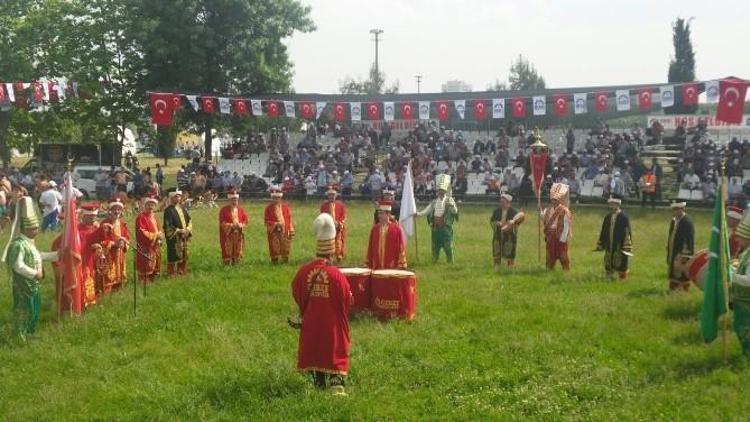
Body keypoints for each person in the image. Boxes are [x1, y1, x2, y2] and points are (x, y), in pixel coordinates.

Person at [291, 213, 352, 395]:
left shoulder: (303, 271)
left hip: (311, 322)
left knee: (314, 348)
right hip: (332, 324)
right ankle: (335, 381)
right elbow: (347, 300)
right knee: (333, 346)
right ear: (332, 251)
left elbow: (296, 291)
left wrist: (307, 309)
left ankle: (317, 380)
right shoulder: (336, 274)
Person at [2, 197, 58, 340]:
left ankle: (31, 333)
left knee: (34, 309)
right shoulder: (18, 244)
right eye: (33, 228)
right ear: (25, 228)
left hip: (34, 284)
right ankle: (19, 337)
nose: (37, 231)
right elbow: (17, 265)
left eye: (36, 228)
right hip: (23, 285)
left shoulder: (29, 243)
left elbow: (38, 256)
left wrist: (58, 255)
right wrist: (35, 273)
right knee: (23, 310)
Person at [90, 197, 130, 294]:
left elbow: (127, 237)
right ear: (110, 211)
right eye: (114, 209)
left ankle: (118, 288)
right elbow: (101, 241)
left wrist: (124, 243)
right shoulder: (104, 224)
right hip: (109, 254)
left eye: (119, 209)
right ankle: (106, 292)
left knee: (119, 273)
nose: (117, 211)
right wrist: (113, 243)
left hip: (120, 254)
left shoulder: (122, 223)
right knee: (109, 275)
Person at [415, 176, 459, 264]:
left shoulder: (449, 200)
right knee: (435, 246)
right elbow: (427, 211)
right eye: (439, 191)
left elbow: (455, 212)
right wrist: (418, 214)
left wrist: (452, 206)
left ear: (445, 191)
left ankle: (450, 262)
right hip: (435, 228)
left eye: (442, 191)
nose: (441, 193)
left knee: (448, 246)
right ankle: (434, 260)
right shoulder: (434, 202)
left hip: (445, 227)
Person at [595, 197, 633, 280]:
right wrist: (601, 243)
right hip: (609, 243)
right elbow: (603, 230)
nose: (612, 206)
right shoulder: (607, 217)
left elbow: (627, 232)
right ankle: (609, 275)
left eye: (613, 204)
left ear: (618, 205)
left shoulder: (624, 217)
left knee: (621, 260)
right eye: (610, 204)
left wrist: (626, 245)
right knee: (609, 258)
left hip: (619, 243)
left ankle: (622, 277)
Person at [729, 211, 750, 356]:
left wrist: (732, 276)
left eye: (741, 238)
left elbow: (748, 280)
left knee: (745, 329)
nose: (738, 240)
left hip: (747, 301)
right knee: (739, 328)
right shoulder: (746, 253)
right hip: (740, 300)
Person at [366, 200, 407, 270]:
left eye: (381, 214)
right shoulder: (375, 229)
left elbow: (400, 248)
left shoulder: (396, 230)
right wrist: (368, 264)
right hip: (376, 267)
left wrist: (400, 265)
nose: (379, 216)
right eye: (379, 213)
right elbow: (370, 248)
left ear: (388, 214)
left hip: (391, 268)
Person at [542, 183, 572, 271]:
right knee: (550, 253)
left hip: (560, 235)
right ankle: (549, 268)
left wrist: (564, 237)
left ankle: (566, 269)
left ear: (559, 201)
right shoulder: (548, 210)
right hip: (551, 235)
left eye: (556, 200)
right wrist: (539, 210)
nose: (554, 202)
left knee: (562, 254)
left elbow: (566, 224)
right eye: (553, 200)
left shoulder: (564, 210)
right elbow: (544, 218)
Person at [490, 194, 525, 268]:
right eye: (500, 202)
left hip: (509, 236)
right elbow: (492, 221)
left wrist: (511, 224)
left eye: (503, 202)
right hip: (498, 234)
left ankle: (510, 265)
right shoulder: (497, 211)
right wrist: (497, 223)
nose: (501, 204)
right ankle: (496, 265)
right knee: (497, 248)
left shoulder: (513, 212)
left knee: (509, 249)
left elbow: (518, 221)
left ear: (508, 202)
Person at [666, 201, 694, 292]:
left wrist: (685, 255)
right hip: (673, 249)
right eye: (674, 210)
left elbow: (689, 240)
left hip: (682, 252)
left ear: (683, 209)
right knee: (673, 269)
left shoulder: (687, 222)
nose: (675, 212)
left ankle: (683, 290)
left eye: (677, 210)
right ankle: (673, 289)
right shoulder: (674, 221)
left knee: (682, 272)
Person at [135, 193, 163, 283]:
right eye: (148, 205)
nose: (150, 207)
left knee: (155, 264)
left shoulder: (155, 217)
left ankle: (153, 280)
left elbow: (160, 229)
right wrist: (156, 235)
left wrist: (160, 236)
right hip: (146, 246)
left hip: (155, 245)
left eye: (152, 205)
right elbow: (142, 232)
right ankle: (144, 282)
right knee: (146, 265)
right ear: (144, 205)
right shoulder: (141, 217)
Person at [163, 190, 192, 276]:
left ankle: (182, 271)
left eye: (179, 196)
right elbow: (168, 224)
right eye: (176, 196)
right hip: (174, 237)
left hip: (184, 236)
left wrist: (188, 229)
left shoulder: (182, 208)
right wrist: (178, 230)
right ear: (171, 198)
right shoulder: (168, 210)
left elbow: (189, 219)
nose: (178, 198)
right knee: (173, 254)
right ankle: (172, 273)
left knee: (184, 253)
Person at [264, 186, 294, 263]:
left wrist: (290, 228)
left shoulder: (285, 207)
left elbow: (289, 218)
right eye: (274, 198)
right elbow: (266, 220)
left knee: (285, 245)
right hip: (274, 230)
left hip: (285, 229)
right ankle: (275, 260)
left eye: (277, 198)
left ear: (280, 198)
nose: (276, 199)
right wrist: (276, 224)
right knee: (274, 245)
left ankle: (285, 260)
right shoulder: (268, 208)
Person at [219, 188, 248, 265]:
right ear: (229, 200)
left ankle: (236, 263)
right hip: (228, 233)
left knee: (238, 248)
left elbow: (245, 220)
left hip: (238, 232)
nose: (234, 201)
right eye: (232, 200)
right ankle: (227, 264)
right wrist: (231, 226)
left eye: (236, 200)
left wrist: (241, 225)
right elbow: (222, 222)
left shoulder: (241, 210)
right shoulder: (223, 210)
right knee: (227, 249)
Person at [320, 186, 346, 262]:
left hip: (338, 226)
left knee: (338, 240)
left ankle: (339, 255)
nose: (331, 196)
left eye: (333, 195)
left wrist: (339, 223)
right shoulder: (324, 205)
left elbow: (343, 215)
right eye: (330, 195)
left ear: (336, 195)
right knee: (329, 241)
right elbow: (322, 215)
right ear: (327, 196)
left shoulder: (340, 205)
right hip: (328, 227)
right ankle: (329, 256)